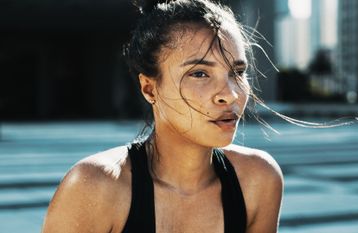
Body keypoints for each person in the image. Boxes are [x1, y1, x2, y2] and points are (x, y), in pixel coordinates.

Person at [41, 0, 283, 232]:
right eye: (199, 73)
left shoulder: (257, 180)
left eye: (238, 72)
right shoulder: (97, 186)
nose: (230, 95)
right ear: (149, 88)